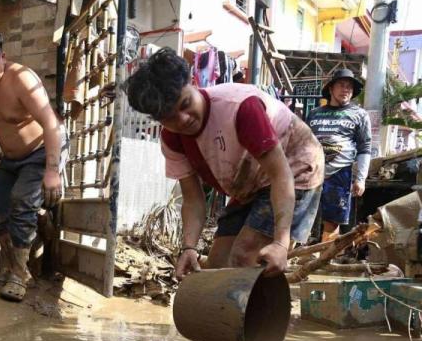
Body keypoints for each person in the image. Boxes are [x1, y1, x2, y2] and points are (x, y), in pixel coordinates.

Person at [124, 48, 324, 279]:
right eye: (169, 118)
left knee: (246, 255)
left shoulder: (240, 107)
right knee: (217, 266)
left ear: (192, 82)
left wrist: (280, 242)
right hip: (250, 181)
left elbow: (280, 174)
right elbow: (192, 198)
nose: (183, 120)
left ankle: (259, 313)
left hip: (296, 168)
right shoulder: (172, 139)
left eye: (185, 104)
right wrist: (188, 248)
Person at [0, 28, 64, 302]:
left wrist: (52, 170)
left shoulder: (22, 79)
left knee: (21, 202)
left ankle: (19, 276)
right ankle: (14, 267)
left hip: (39, 152)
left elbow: (50, 123)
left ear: (3, 57)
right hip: (9, 157)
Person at [306, 69, 372, 242]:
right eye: (342, 85)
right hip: (311, 171)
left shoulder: (359, 114)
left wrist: (361, 178)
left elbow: (365, 147)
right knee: (301, 215)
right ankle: (290, 257)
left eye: (349, 87)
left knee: (333, 220)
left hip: (340, 173)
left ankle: (324, 258)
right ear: (331, 89)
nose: (346, 90)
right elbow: (302, 143)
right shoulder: (314, 114)